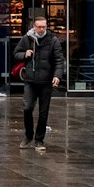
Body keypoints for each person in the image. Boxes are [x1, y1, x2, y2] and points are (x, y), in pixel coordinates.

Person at [13, 14, 65, 151]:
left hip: (46, 81)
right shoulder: (27, 38)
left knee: (43, 112)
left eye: (44, 27)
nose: (42, 29)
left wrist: (57, 76)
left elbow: (59, 60)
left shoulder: (53, 40)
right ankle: (28, 135)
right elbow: (16, 53)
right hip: (30, 80)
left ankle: (39, 140)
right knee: (27, 108)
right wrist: (25, 54)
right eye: (39, 27)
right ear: (34, 27)